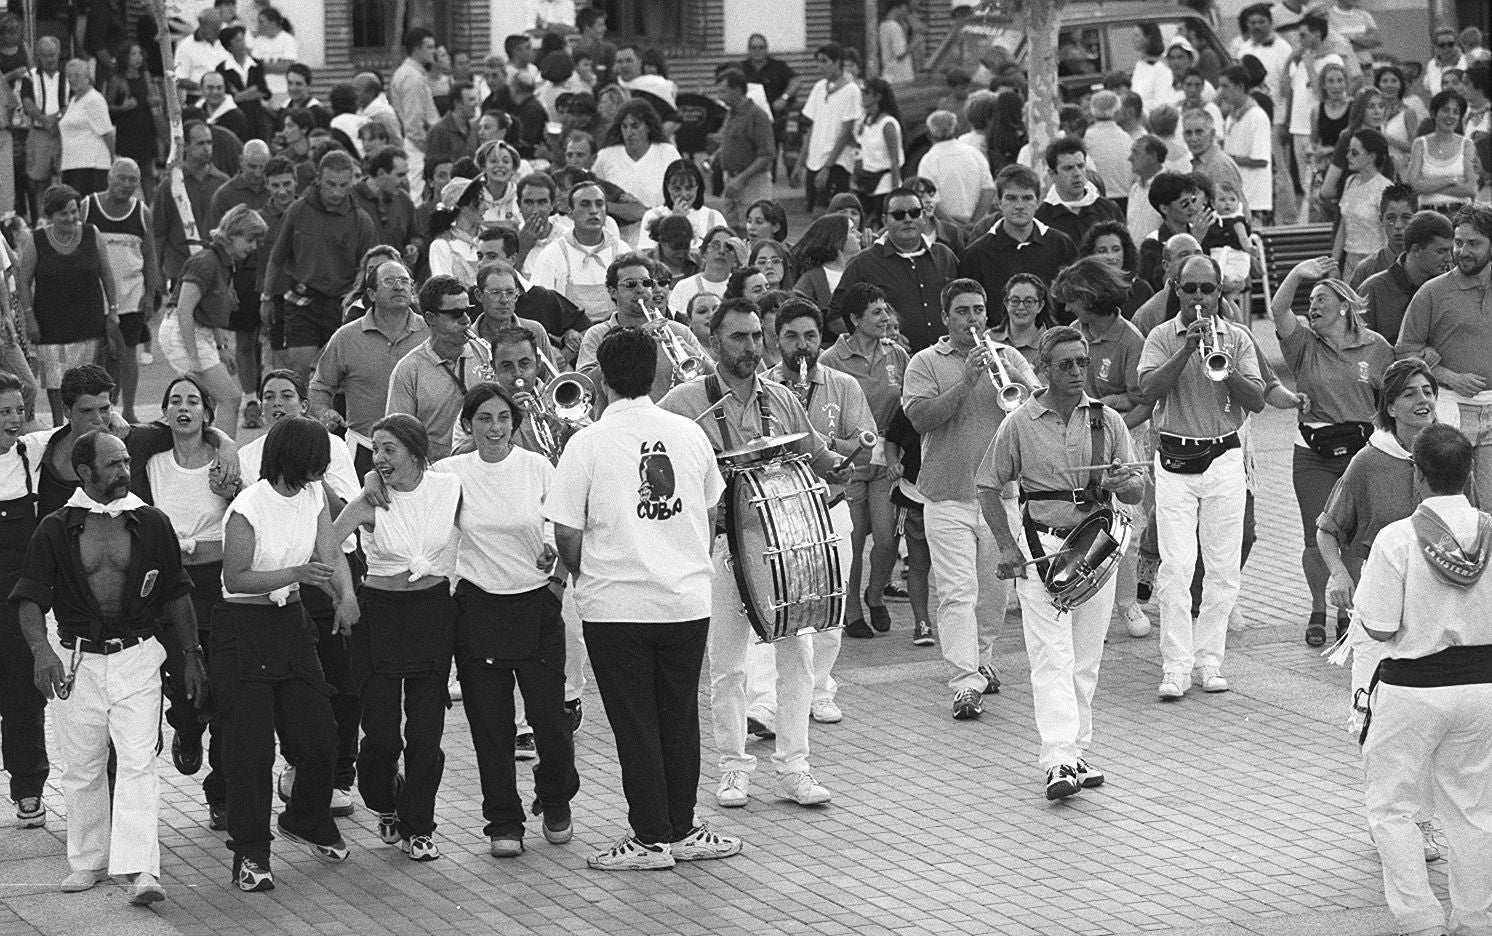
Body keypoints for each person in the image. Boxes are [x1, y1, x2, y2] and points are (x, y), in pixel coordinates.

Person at [548, 326, 744, 870]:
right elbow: (708, 517)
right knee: (678, 715)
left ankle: (651, 837)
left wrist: (589, 575)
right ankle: (680, 827)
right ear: (656, 370)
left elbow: (566, 532)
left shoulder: (585, 443)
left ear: (600, 380)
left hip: (616, 608)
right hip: (685, 601)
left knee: (634, 721)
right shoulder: (688, 433)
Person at [657, 297, 844, 808]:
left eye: (757, 336)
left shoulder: (782, 398)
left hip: (784, 548)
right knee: (727, 664)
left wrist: (854, 456)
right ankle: (733, 767)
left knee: (797, 659)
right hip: (720, 547)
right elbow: (661, 475)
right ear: (714, 341)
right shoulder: (683, 403)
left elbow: (818, 459)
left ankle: (794, 767)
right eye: (740, 337)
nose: (752, 347)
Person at [10, 429, 205, 904]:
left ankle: (141, 869)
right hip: (77, 661)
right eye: (114, 464)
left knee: (138, 761)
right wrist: (41, 652)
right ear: (85, 472)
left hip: (137, 657)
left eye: (125, 461)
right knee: (82, 768)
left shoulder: (150, 521)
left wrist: (191, 654)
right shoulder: (55, 528)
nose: (125, 470)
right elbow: (30, 598)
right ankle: (89, 860)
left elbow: (177, 592)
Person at [980, 325, 1143, 799]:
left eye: (1082, 362)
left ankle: (1076, 750)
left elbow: (1135, 491)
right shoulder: (1019, 422)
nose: (1077, 372)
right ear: (1045, 369)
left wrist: (1120, 484)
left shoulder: (1107, 421)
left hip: (1095, 544)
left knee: (1086, 658)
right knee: (1051, 655)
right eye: (1066, 364)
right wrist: (1007, 546)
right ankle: (1058, 758)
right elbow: (988, 484)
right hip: (1043, 547)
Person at [1357, 424, 1492, 936]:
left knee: (1392, 808)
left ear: (1417, 476)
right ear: (1471, 473)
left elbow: (1380, 626)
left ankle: (1420, 920)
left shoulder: (1397, 539)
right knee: (1475, 808)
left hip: (1412, 688)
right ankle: (1476, 921)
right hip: (1483, 686)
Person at [216, 416, 357, 891]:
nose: (322, 468)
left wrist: (345, 595)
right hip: (244, 628)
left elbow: (330, 551)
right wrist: (295, 572)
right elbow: (235, 579)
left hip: (292, 625)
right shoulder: (247, 508)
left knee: (322, 735)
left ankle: (306, 818)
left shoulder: (314, 495)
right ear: (293, 458)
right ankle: (251, 853)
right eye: (315, 459)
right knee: (251, 752)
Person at [444, 380, 580, 854]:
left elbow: (564, 522)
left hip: (536, 605)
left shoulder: (538, 467)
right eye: (484, 419)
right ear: (468, 425)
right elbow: (405, 485)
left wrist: (556, 572)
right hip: (478, 606)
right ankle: (503, 819)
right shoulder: (451, 472)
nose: (495, 428)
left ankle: (556, 794)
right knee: (491, 725)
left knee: (550, 719)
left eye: (503, 418)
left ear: (515, 425)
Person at [902, 278, 1040, 720]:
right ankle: (964, 683)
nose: (972, 319)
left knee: (994, 594)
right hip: (946, 495)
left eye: (979, 310)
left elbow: (1037, 411)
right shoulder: (924, 362)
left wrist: (1017, 380)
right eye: (962, 311)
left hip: (1001, 496)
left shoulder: (1008, 356)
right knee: (958, 593)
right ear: (945, 317)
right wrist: (965, 383)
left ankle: (981, 658)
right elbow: (921, 419)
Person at [328, 415, 459, 861]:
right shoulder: (370, 499)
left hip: (433, 616)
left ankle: (419, 825)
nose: (379, 459)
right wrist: (344, 595)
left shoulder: (448, 486)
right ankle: (385, 802)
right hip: (379, 619)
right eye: (376, 450)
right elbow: (326, 545)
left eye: (389, 450)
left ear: (416, 452)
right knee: (381, 737)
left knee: (426, 735)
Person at [236, 369, 362, 823]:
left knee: (343, 682)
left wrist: (312, 470)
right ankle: (297, 767)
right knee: (293, 688)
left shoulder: (331, 451)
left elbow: (342, 523)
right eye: (267, 395)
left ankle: (336, 775)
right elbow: (241, 563)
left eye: (286, 395)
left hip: (326, 579)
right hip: (276, 592)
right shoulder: (247, 463)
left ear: (303, 403)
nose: (276, 403)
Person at [1138, 255, 1266, 699]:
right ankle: (1175, 665)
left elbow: (1258, 401)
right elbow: (1148, 390)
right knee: (1176, 567)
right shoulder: (1159, 336)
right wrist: (1186, 350)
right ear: (1176, 288)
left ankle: (1209, 660)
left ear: (1219, 292)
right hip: (1175, 459)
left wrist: (1224, 364)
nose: (1198, 298)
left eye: (1206, 290)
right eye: (1189, 289)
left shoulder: (1239, 337)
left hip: (1224, 458)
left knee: (1223, 568)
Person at [1270, 258, 1393, 644]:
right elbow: (1278, 309)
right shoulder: (1304, 343)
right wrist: (1297, 274)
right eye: (1310, 301)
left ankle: (1347, 611)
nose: (1313, 306)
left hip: (1359, 455)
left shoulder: (1376, 348)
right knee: (1316, 535)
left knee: (1354, 537)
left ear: (1344, 305)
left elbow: (1391, 397)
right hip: (1313, 452)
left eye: (1321, 298)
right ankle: (1317, 609)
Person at [764, 299, 871, 722]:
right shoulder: (762, 385)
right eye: (791, 336)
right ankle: (771, 696)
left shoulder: (843, 386)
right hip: (781, 512)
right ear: (777, 340)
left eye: (810, 336)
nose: (802, 345)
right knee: (779, 606)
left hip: (830, 505)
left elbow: (863, 444)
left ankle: (821, 689)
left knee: (832, 606)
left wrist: (819, 447)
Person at [140, 375, 239, 828]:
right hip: (169, 584)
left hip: (215, 581)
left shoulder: (224, 461)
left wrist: (232, 487)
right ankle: (185, 725)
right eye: (175, 400)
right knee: (182, 678)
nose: (184, 408)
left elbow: (242, 519)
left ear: (206, 412)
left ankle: (222, 792)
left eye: (193, 401)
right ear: (165, 413)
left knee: (224, 687)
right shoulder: (152, 461)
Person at [1056, 258, 1155, 638]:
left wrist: (1109, 423)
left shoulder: (1130, 340)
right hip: (1077, 442)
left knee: (1125, 525)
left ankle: (1127, 605)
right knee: (1077, 520)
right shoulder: (1072, 333)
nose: (1068, 309)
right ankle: (1073, 592)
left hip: (1121, 442)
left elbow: (1143, 402)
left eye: (1072, 301)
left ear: (1090, 297)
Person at [819, 282, 910, 637]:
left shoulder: (898, 355)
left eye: (886, 309)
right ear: (854, 319)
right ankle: (851, 610)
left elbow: (906, 404)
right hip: (851, 459)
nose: (885, 317)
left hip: (887, 458)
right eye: (876, 311)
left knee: (887, 540)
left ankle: (875, 595)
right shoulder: (831, 360)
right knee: (854, 542)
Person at [1396, 204, 1492, 508]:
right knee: (1450, 505)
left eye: (1474, 244)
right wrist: (1450, 376)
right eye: (1458, 242)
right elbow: (1405, 352)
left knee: (1488, 509)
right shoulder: (1432, 292)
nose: (1462, 251)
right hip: (1450, 409)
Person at [262, 150, 378, 383]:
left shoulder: (361, 220)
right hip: (302, 301)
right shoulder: (298, 210)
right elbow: (277, 257)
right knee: (299, 366)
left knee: (339, 371)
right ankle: (299, 417)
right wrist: (266, 297)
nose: (336, 192)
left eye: (343, 185)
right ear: (319, 179)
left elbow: (370, 271)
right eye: (330, 184)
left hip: (341, 304)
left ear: (352, 182)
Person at [16, 184, 122, 425]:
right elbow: (23, 280)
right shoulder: (38, 240)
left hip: (88, 321)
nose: (71, 218)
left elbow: (106, 274)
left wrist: (113, 310)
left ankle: (92, 426)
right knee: (56, 382)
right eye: (64, 213)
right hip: (50, 324)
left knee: (90, 380)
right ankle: (59, 427)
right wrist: (29, 318)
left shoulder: (92, 233)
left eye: (74, 211)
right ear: (51, 215)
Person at [159, 205, 267, 437]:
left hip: (201, 331)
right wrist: (193, 358)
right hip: (183, 331)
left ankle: (207, 455)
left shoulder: (224, 263)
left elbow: (212, 311)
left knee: (211, 400)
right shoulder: (205, 262)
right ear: (232, 234)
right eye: (250, 239)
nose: (253, 247)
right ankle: (224, 461)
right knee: (230, 398)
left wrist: (221, 348)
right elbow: (184, 310)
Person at [0, 372, 48, 831]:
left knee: (23, 697)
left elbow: (93, 423)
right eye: (3, 412)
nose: (14, 420)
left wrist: (223, 442)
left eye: (18, 410)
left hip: (18, 602)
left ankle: (29, 789)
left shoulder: (31, 454)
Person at [831, 189, 959, 352]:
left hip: (946, 358)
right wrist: (879, 339)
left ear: (924, 217)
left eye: (914, 213)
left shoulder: (945, 256)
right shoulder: (863, 263)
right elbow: (835, 318)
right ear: (885, 220)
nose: (907, 219)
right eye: (899, 215)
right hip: (890, 365)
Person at [81, 158, 158, 424]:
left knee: (128, 353)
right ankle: (96, 408)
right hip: (95, 295)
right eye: (121, 177)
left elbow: (150, 256)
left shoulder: (141, 212)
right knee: (96, 353)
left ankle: (129, 409)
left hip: (131, 294)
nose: (126, 184)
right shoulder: (88, 206)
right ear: (109, 177)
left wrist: (150, 294)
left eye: (133, 180)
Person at [387, 275, 495, 461]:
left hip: (485, 464)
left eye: (467, 311)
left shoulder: (486, 354)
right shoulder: (408, 370)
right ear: (430, 318)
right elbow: (398, 435)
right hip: (438, 470)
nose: (466, 320)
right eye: (455, 314)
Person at [578, 254, 710, 403]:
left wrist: (700, 359)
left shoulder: (679, 331)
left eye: (647, 283)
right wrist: (635, 340)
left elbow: (715, 379)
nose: (641, 290)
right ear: (613, 291)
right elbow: (584, 388)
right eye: (630, 284)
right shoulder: (597, 334)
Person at [960, 166, 1078, 326]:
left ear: (1038, 201)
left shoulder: (1061, 245)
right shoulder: (976, 255)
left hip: (1054, 343)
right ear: (999, 202)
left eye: (1027, 198)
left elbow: (1074, 303)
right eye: (1011, 198)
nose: (1019, 205)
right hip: (998, 346)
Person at [530, 181, 627, 324]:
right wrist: (566, 332)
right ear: (570, 213)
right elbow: (540, 307)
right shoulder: (553, 254)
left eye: (599, 204)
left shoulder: (622, 252)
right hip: (569, 340)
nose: (594, 210)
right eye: (585, 204)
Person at [150, 121, 229, 289]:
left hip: (216, 269)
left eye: (209, 142)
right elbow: (158, 232)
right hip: (180, 269)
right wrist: (156, 272)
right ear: (185, 146)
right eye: (200, 143)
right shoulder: (170, 184)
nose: (207, 148)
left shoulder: (223, 183)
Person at [591, 99, 681, 242]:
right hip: (616, 237)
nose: (629, 132)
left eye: (635, 126)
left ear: (648, 127)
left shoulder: (667, 153)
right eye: (625, 127)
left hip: (659, 234)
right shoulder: (605, 156)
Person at [1361, 210, 1454, 345]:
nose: (1449, 259)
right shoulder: (1373, 290)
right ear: (1416, 250)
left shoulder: (1451, 285)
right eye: (1441, 251)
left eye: (1449, 251)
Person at [798, 43, 861, 212]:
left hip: (836, 161)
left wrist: (828, 167)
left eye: (824, 61)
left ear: (837, 62)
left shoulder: (851, 90)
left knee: (827, 213)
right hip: (815, 160)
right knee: (814, 211)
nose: (820, 66)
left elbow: (847, 131)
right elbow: (812, 126)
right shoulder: (819, 87)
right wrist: (800, 162)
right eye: (819, 62)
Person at [1036, 136, 1126, 249]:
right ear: (1052, 174)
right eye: (1068, 168)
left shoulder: (1109, 210)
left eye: (1080, 166)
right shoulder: (1042, 218)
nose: (1077, 173)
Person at [714, 68, 776, 230]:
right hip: (731, 181)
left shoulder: (757, 116)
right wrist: (715, 156)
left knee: (754, 228)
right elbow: (731, 143)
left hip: (753, 183)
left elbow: (767, 154)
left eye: (723, 91)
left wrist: (742, 178)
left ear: (737, 90)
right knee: (731, 230)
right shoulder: (731, 114)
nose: (720, 96)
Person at [1333, 130, 1394, 279]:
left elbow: (1389, 232)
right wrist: (1333, 264)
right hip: (1350, 260)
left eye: (1354, 153)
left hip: (1375, 262)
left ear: (1371, 157)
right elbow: (1343, 226)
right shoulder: (1350, 182)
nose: (1348, 156)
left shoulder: (1384, 188)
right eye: (1348, 151)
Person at [1406, 91, 1478, 215]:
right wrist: (1450, 180)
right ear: (1433, 113)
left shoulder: (1467, 144)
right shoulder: (1420, 144)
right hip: (1427, 215)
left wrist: (1427, 186)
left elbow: (1471, 188)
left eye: (1456, 112)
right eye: (1445, 110)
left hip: (1460, 215)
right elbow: (1412, 186)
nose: (1451, 116)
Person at [916, 110, 993, 226]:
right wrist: (974, 223)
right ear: (956, 129)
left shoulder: (928, 161)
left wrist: (957, 228)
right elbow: (988, 190)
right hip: (977, 225)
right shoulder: (975, 154)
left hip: (946, 227)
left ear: (928, 134)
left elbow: (929, 200)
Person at [103, 41, 160, 197]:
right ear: (125, 58)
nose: (138, 58)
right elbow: (107, 107)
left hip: (146, 128)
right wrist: (123, 108)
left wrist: (153, 101)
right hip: (128, 130)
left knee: (148, 171)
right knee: (127, 171)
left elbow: (150, 97)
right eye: (133, 54)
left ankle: (151, 210)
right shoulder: (117, 80)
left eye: (140, 54)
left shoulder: (145, 76)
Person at [1217, 66, 1273, 223]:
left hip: (1254, 200)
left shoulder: (1257, 116)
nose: (1221, 92)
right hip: (1236, 197)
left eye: (1225, 86)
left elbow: (1261, 160)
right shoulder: (1232, 116)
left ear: (1240, 86)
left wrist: (1227, 159)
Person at [636, 159, 727, 253]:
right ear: (667, 187)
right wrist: (675, 221)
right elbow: (647, 255)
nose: (684, 194)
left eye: (689, 188)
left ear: (698, 186)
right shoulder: (652, 216)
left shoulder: (714, 217)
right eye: (677, 189)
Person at [352, 147, 421, 267]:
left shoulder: (403, 199)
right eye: (400, 175)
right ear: (381, 173)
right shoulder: (351, 199)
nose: (405, 181)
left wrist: (413, 247)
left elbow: (415, 235)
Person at [57, 59, 113, 198]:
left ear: (88, 76)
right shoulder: (73, 100)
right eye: (69, 76)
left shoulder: (94, 99)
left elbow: (107, 133)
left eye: (77, 75)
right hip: (72, 164)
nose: (72, 79)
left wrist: (112, 159)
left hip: (90, 166)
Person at [791, 213, 861, 323]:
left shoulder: (860, 269)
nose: (859, 234)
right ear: (838, 239)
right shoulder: (811, 279)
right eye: (852, 231)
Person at [1347, 183, 1418, 289]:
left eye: (1406, 218)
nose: (1398, 226)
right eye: (1391, 218)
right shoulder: (1366, 269)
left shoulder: (1428, 263)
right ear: (1381, 219)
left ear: (1417, 218)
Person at [853, 77, 903, 220]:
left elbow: (895, 160)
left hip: (885, 185)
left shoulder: (888, 124)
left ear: (878, 97)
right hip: (868, 183)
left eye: (867, 93)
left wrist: (895, 195)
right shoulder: (867, 122)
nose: (863, 97)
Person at [390, 28, 439, 156]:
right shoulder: (413, 78)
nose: (434, 51)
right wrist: (431, 151)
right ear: (417, 49)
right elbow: (413, 124)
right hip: (418, 150)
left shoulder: (409, 73)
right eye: (429, 47)